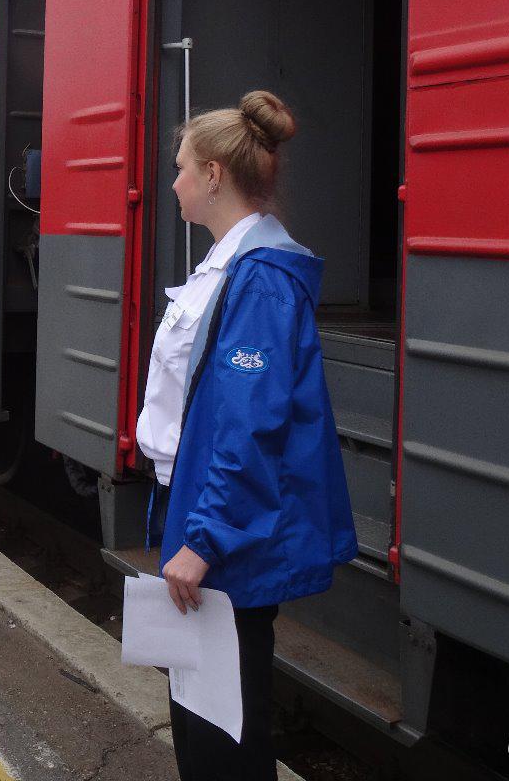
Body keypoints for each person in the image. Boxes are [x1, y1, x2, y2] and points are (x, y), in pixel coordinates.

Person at [137, 91, 355, 781]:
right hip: (206, 517)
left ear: (212, 175)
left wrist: (202, 540)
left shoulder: (257, 282)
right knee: (209, 725)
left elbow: (249, 427)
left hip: (223, 536)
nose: (171, 182)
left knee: (220, 743)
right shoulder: (232, 269)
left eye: (180, 168)